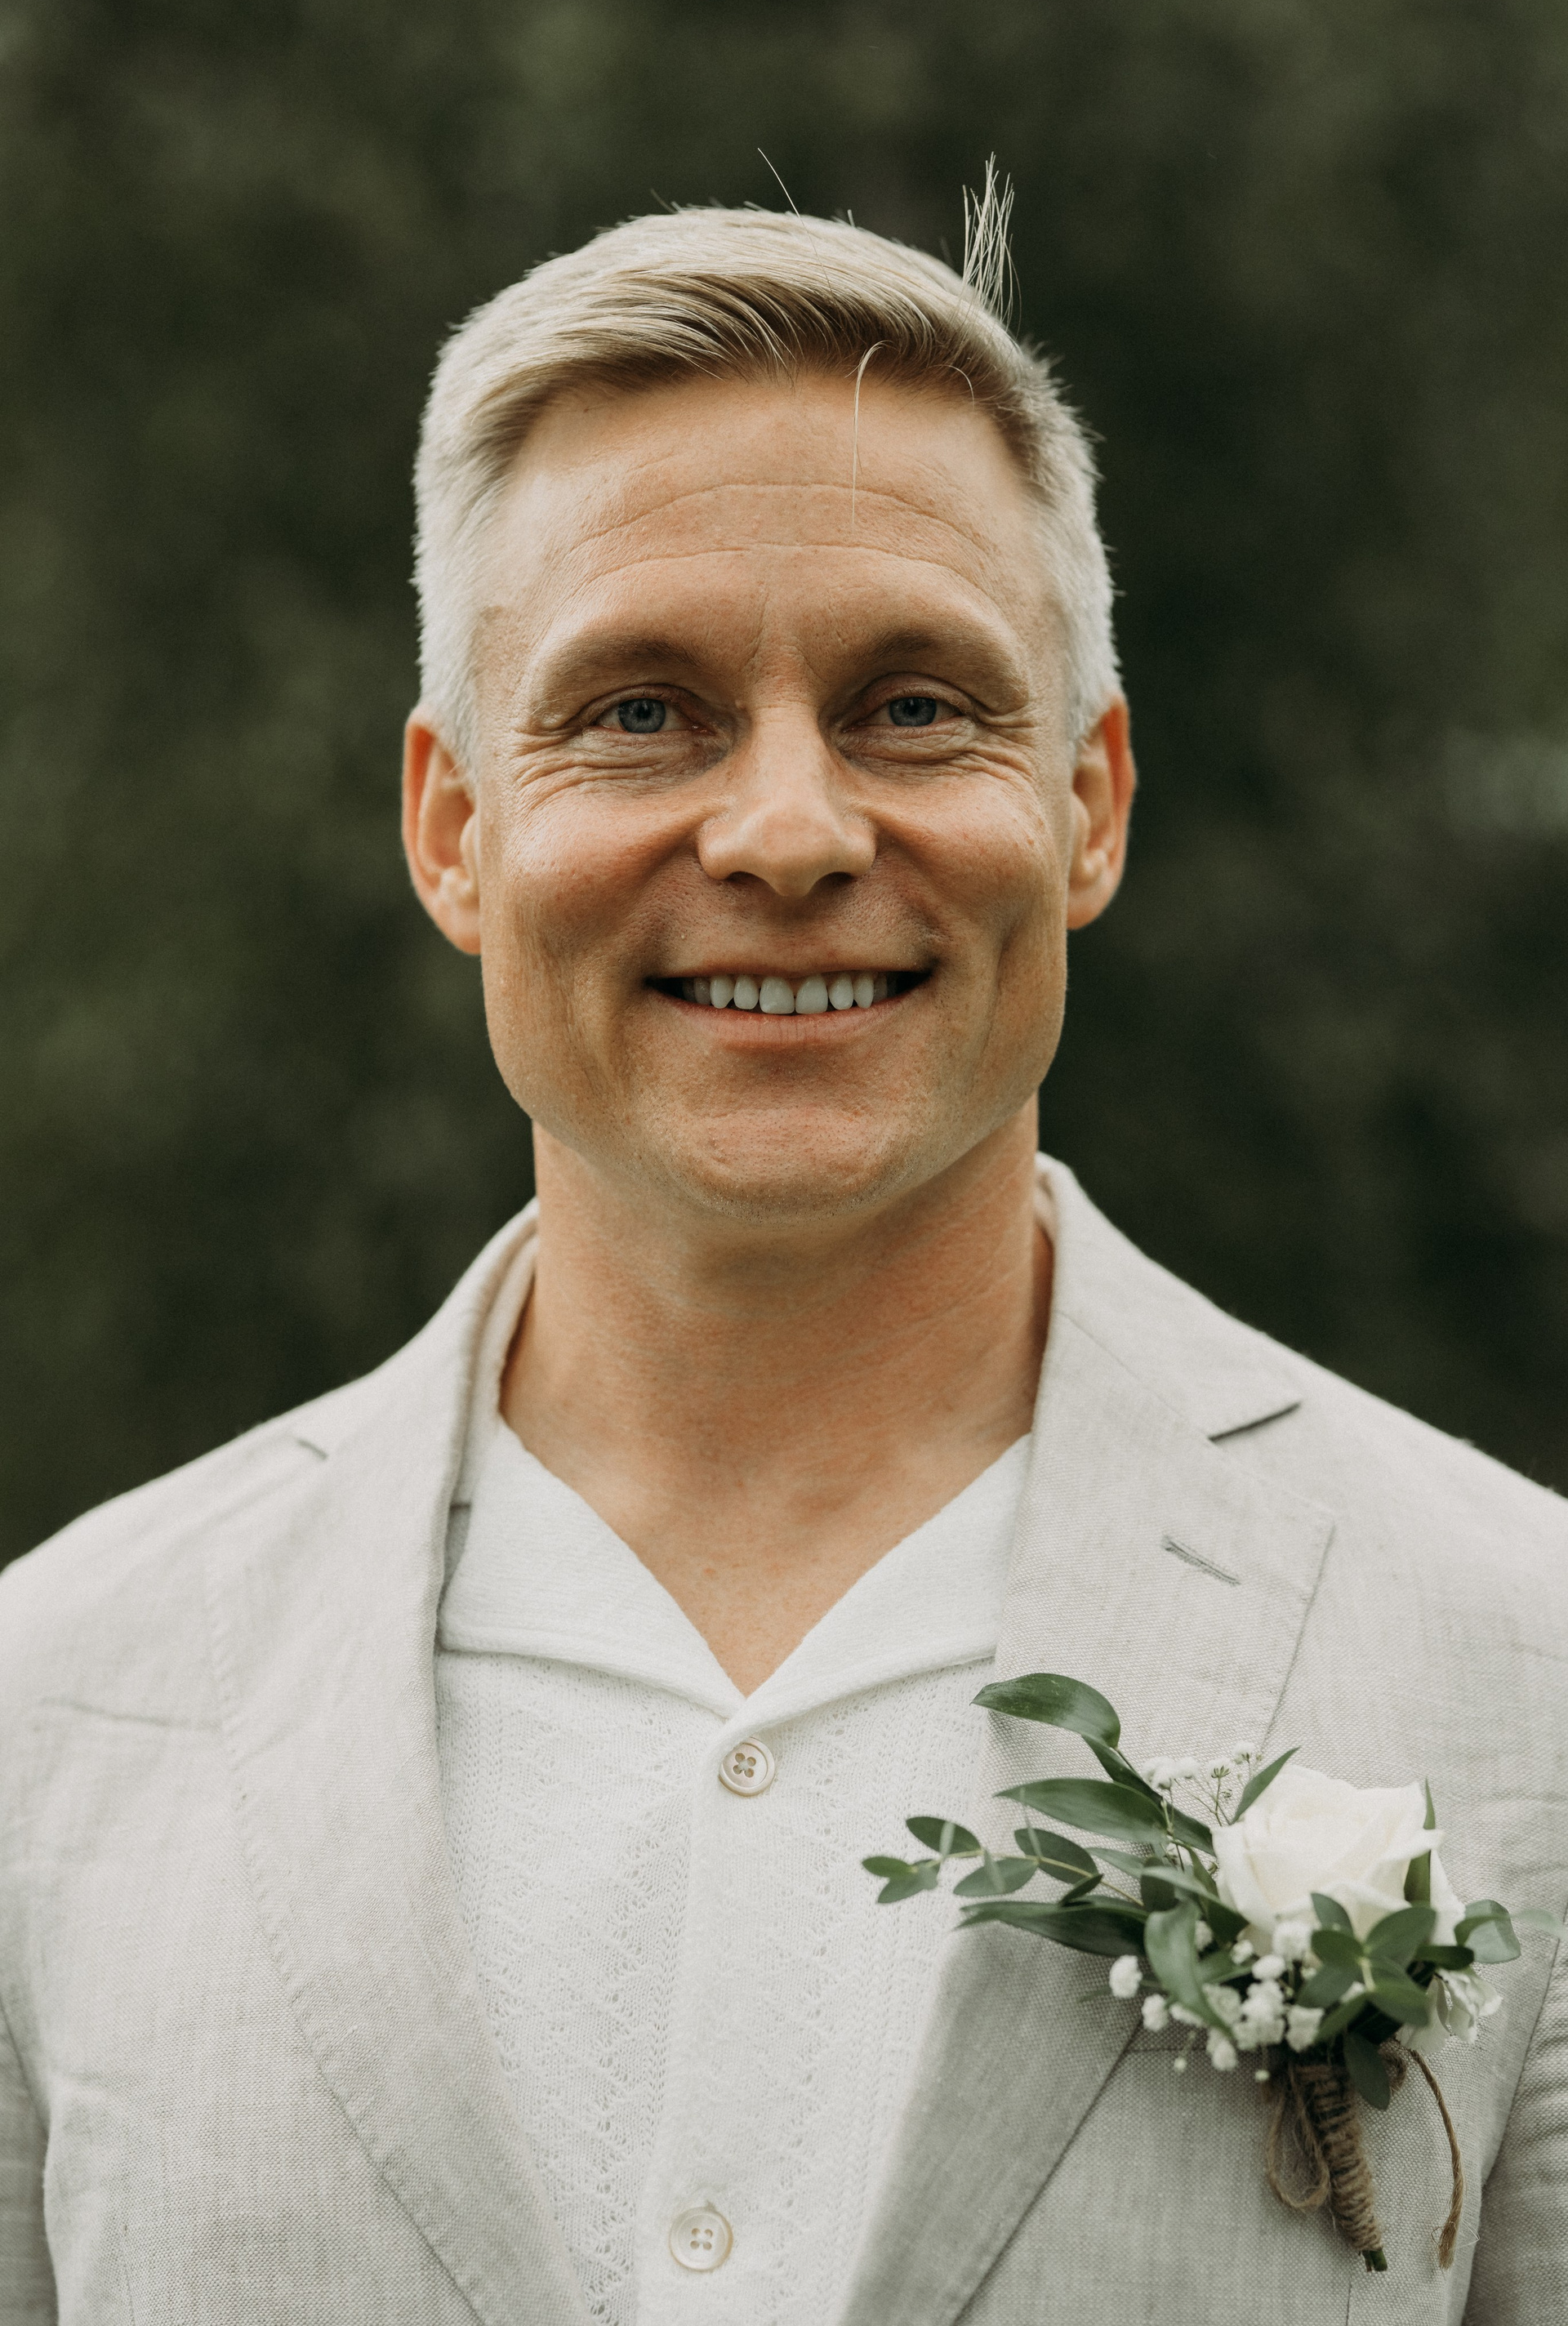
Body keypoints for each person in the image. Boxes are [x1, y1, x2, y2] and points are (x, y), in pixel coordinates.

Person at [1, 199, 1563, 2326]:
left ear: (1090, 803)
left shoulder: (1524, 1668)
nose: (791, 834)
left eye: (914, 706)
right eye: (640, 712)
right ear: (455, 829)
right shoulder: (61, 1703)